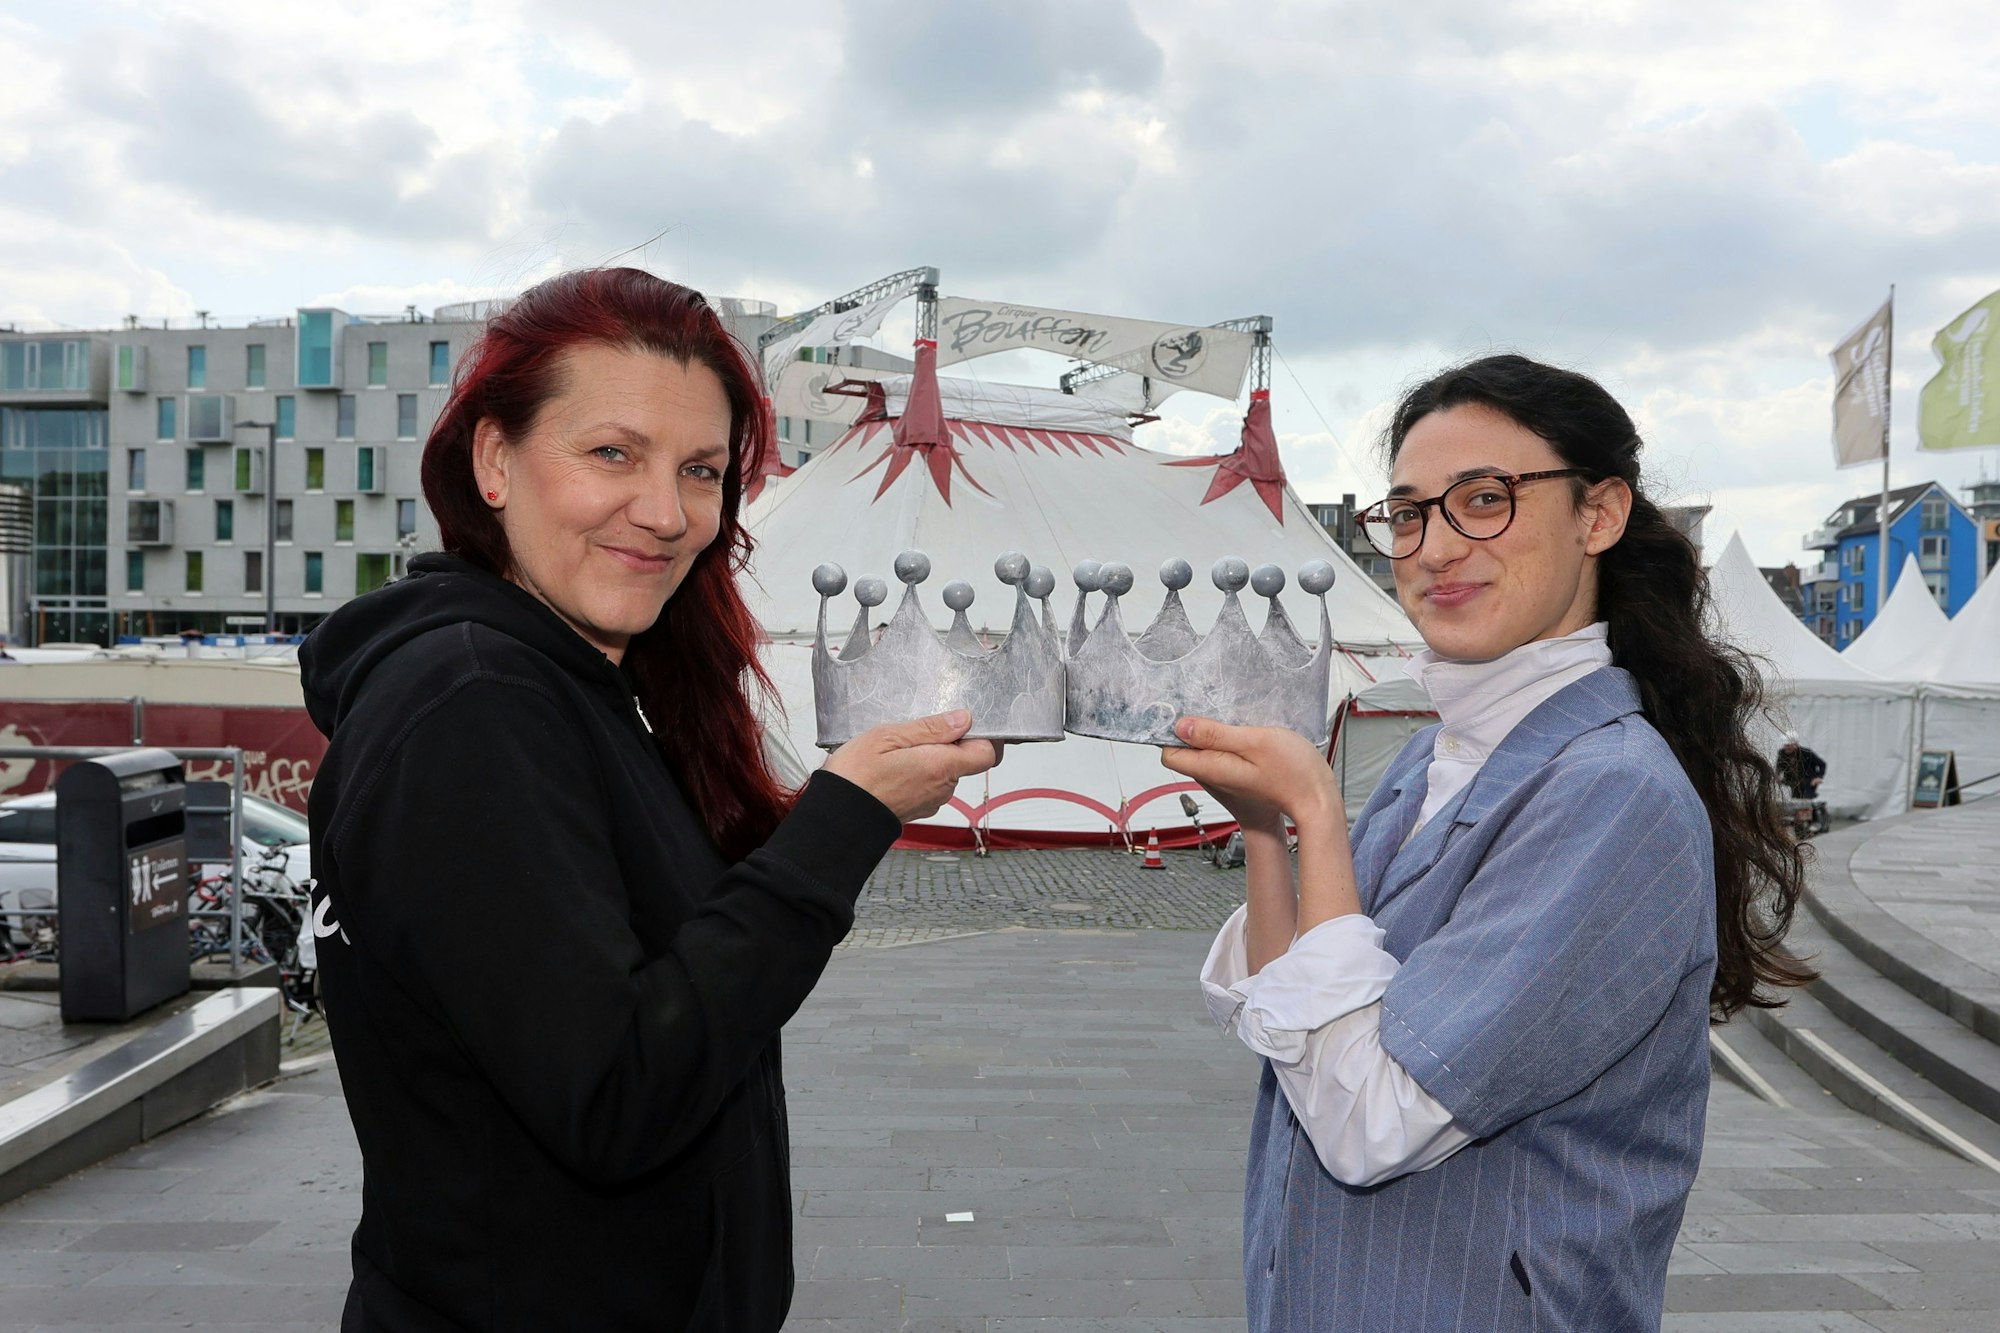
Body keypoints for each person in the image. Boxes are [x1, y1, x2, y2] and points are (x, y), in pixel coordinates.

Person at [299, 268, 1000, 1332]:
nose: (667, 514)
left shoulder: (577, 687)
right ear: (494, 461)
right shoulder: (473, 705)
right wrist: (844, 819)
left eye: (701, 471)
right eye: (612, 454)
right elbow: (617, 1093)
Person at [1165, 354, 1812, 1331]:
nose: (1432, 548)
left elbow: (1371, 1120)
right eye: (1407, 513)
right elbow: (1283, 1008)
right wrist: (1264, 826)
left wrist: (1317, 810)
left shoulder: (1610, 791)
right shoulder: (1435, 754)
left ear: (1598, 514)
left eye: (1483, 499)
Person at [1776, 733, 1827, 800]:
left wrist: (1818, 777)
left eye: (1789, 746)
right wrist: (1777, 776)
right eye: (1785, 745)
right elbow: (1779, 766)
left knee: (1806, 800)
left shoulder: (1806, 753)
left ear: (1795, 745)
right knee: (1795, 801)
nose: (1787, 748)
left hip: (1808, 782)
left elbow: (1822, 764)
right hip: (1793, 783)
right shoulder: (1782, 753)